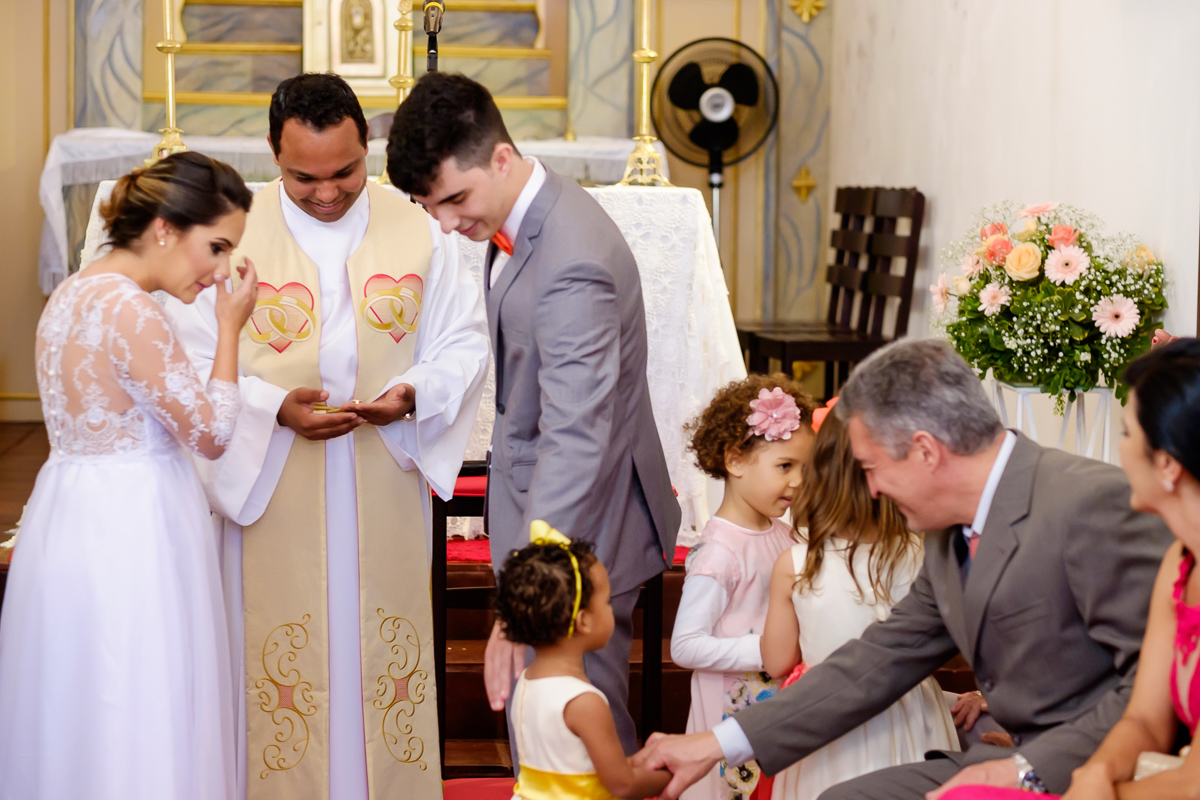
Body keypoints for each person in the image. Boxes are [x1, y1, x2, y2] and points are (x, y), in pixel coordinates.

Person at [633, 338, 1174, 799]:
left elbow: (1156, 687)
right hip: (1013, 751)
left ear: (925, 451)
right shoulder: (945, 534)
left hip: (1090, 765)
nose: (868, 491)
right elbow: (878, 658)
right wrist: (716, 743)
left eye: (871, 468)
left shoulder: (1087, 505)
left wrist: (1029, 766)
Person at [162, 73, 489, 800]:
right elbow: (185, 356)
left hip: (382, 469)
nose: (327, 191)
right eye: (302, 176)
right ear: (273, 156)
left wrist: (412, 395)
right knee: (284, 678)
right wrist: (274, 409)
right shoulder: (230, 230)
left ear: (366, 145)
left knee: (378, 656)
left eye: (344, 170)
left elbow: (464, 344)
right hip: (271, 477)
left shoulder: (417, 226)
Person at [387, 71, 682, 763]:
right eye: (434, 209)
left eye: (456, 199)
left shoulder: (573, 259)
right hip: (551, 521)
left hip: (582, 533)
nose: (450, 224)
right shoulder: (523, 218)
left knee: (574, 744)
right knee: (546, 734)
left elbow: (578, 436)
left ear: (501, 156)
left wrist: (529, 594)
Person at [0, 152, 258, 800]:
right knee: (140, 695)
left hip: (67, 512)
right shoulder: (133, 310)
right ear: (167, 228)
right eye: (217, 246)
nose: (221, 269)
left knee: (85, 699)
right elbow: (211, 432)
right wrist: (229, 329)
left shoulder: (72, 294)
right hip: (132, 528)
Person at [759, 406, 958, 799]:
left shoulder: (796, 565)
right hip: (915, 720)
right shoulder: (926, 555)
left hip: (826, 720)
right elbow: (947, 653)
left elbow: (777, 661)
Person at [669, 374, 816, 800]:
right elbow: (686, 645)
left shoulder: (781, 533)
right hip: (730, 703)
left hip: (772, 698)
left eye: (803, 468)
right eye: (785, 466)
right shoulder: (719, 552)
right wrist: (769, 649)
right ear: (735, 460)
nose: (798, 481)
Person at [495, 522, 673, 800]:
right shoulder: (584, 701)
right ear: (584, 621)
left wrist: (643, 761)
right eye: (606, 603)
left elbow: (583, 767)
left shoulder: (528, 680)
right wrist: (671, 774)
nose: (611, 610)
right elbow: (622, 785)